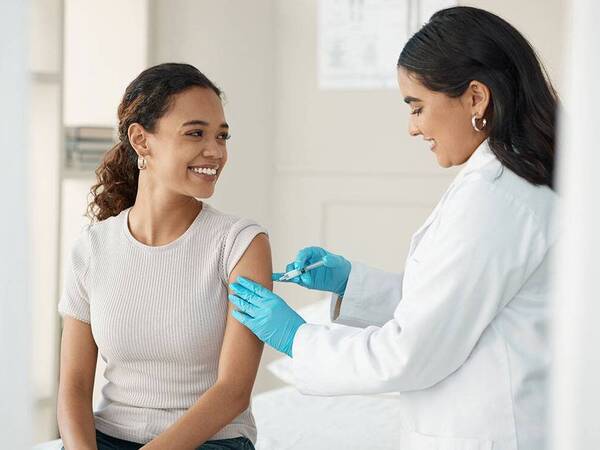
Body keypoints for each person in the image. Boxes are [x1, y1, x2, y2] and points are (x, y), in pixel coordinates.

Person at [228, 7, 558, 450]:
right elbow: (454, 307)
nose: (413, 127)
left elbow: (412, 353)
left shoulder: (497, 197)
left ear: (476, 98)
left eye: (418, 107)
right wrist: (352, 282)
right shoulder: (505, 184)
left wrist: (297, 338)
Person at [57, 63, 270, 450]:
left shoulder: (241, 244)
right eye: (195, 133)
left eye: (222, 136)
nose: (216, 151)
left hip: (210, 442)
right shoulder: (92, 248)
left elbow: (234, 391)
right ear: (141, 140)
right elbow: (73, 387)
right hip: (108, 438)